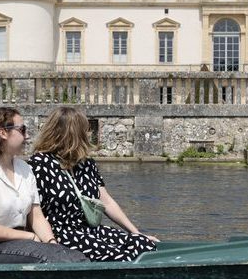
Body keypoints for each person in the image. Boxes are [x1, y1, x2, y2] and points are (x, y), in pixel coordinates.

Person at [0, 106, 87, 264]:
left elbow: (36, 216)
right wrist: (30, 236)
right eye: (22, 130)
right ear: (3, 132)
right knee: (56, 259)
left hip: (17, 243)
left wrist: (52, 243)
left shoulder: (25, 169)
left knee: (71, 256)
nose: (27, 136)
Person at [29, 106, 159, 262]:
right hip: (61, 234)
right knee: (120, 256)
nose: (89, 133)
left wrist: (136, 232)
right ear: (73, 134)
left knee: (143, 244)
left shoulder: (86, 164)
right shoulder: (39, 164)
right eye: (85, 129)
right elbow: (33, 212)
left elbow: (107, 201)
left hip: (90, 230)